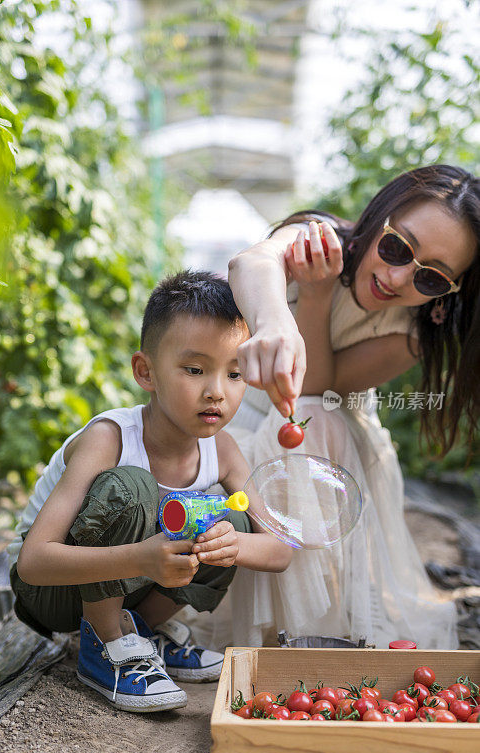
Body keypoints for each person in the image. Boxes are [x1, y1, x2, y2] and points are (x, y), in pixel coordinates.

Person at [202, 164, 478, 650]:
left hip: (330, 440)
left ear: (448, 293)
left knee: (319, 421)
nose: (396, 277)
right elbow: (251, 263)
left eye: (431, 278)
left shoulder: (411, 332)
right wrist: (273, 324)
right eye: (397, 247)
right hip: (245, 419)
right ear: (379, 218)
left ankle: (313, 628)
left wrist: (316, 295)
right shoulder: (319, 239)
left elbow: (317, 390)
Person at [8, 270, 292, 713]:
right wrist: (141, 558)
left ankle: (136, 633)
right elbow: (33, 563)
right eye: (195, 369)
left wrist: (233, 544)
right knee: (131, 489)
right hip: (54, 592)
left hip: (128, 580)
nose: (216, 391)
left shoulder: (224, 450)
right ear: (147, 371)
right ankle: (106, 645)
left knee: (229, 523)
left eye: (234, 374)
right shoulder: (112, 438)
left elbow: (280, 551)